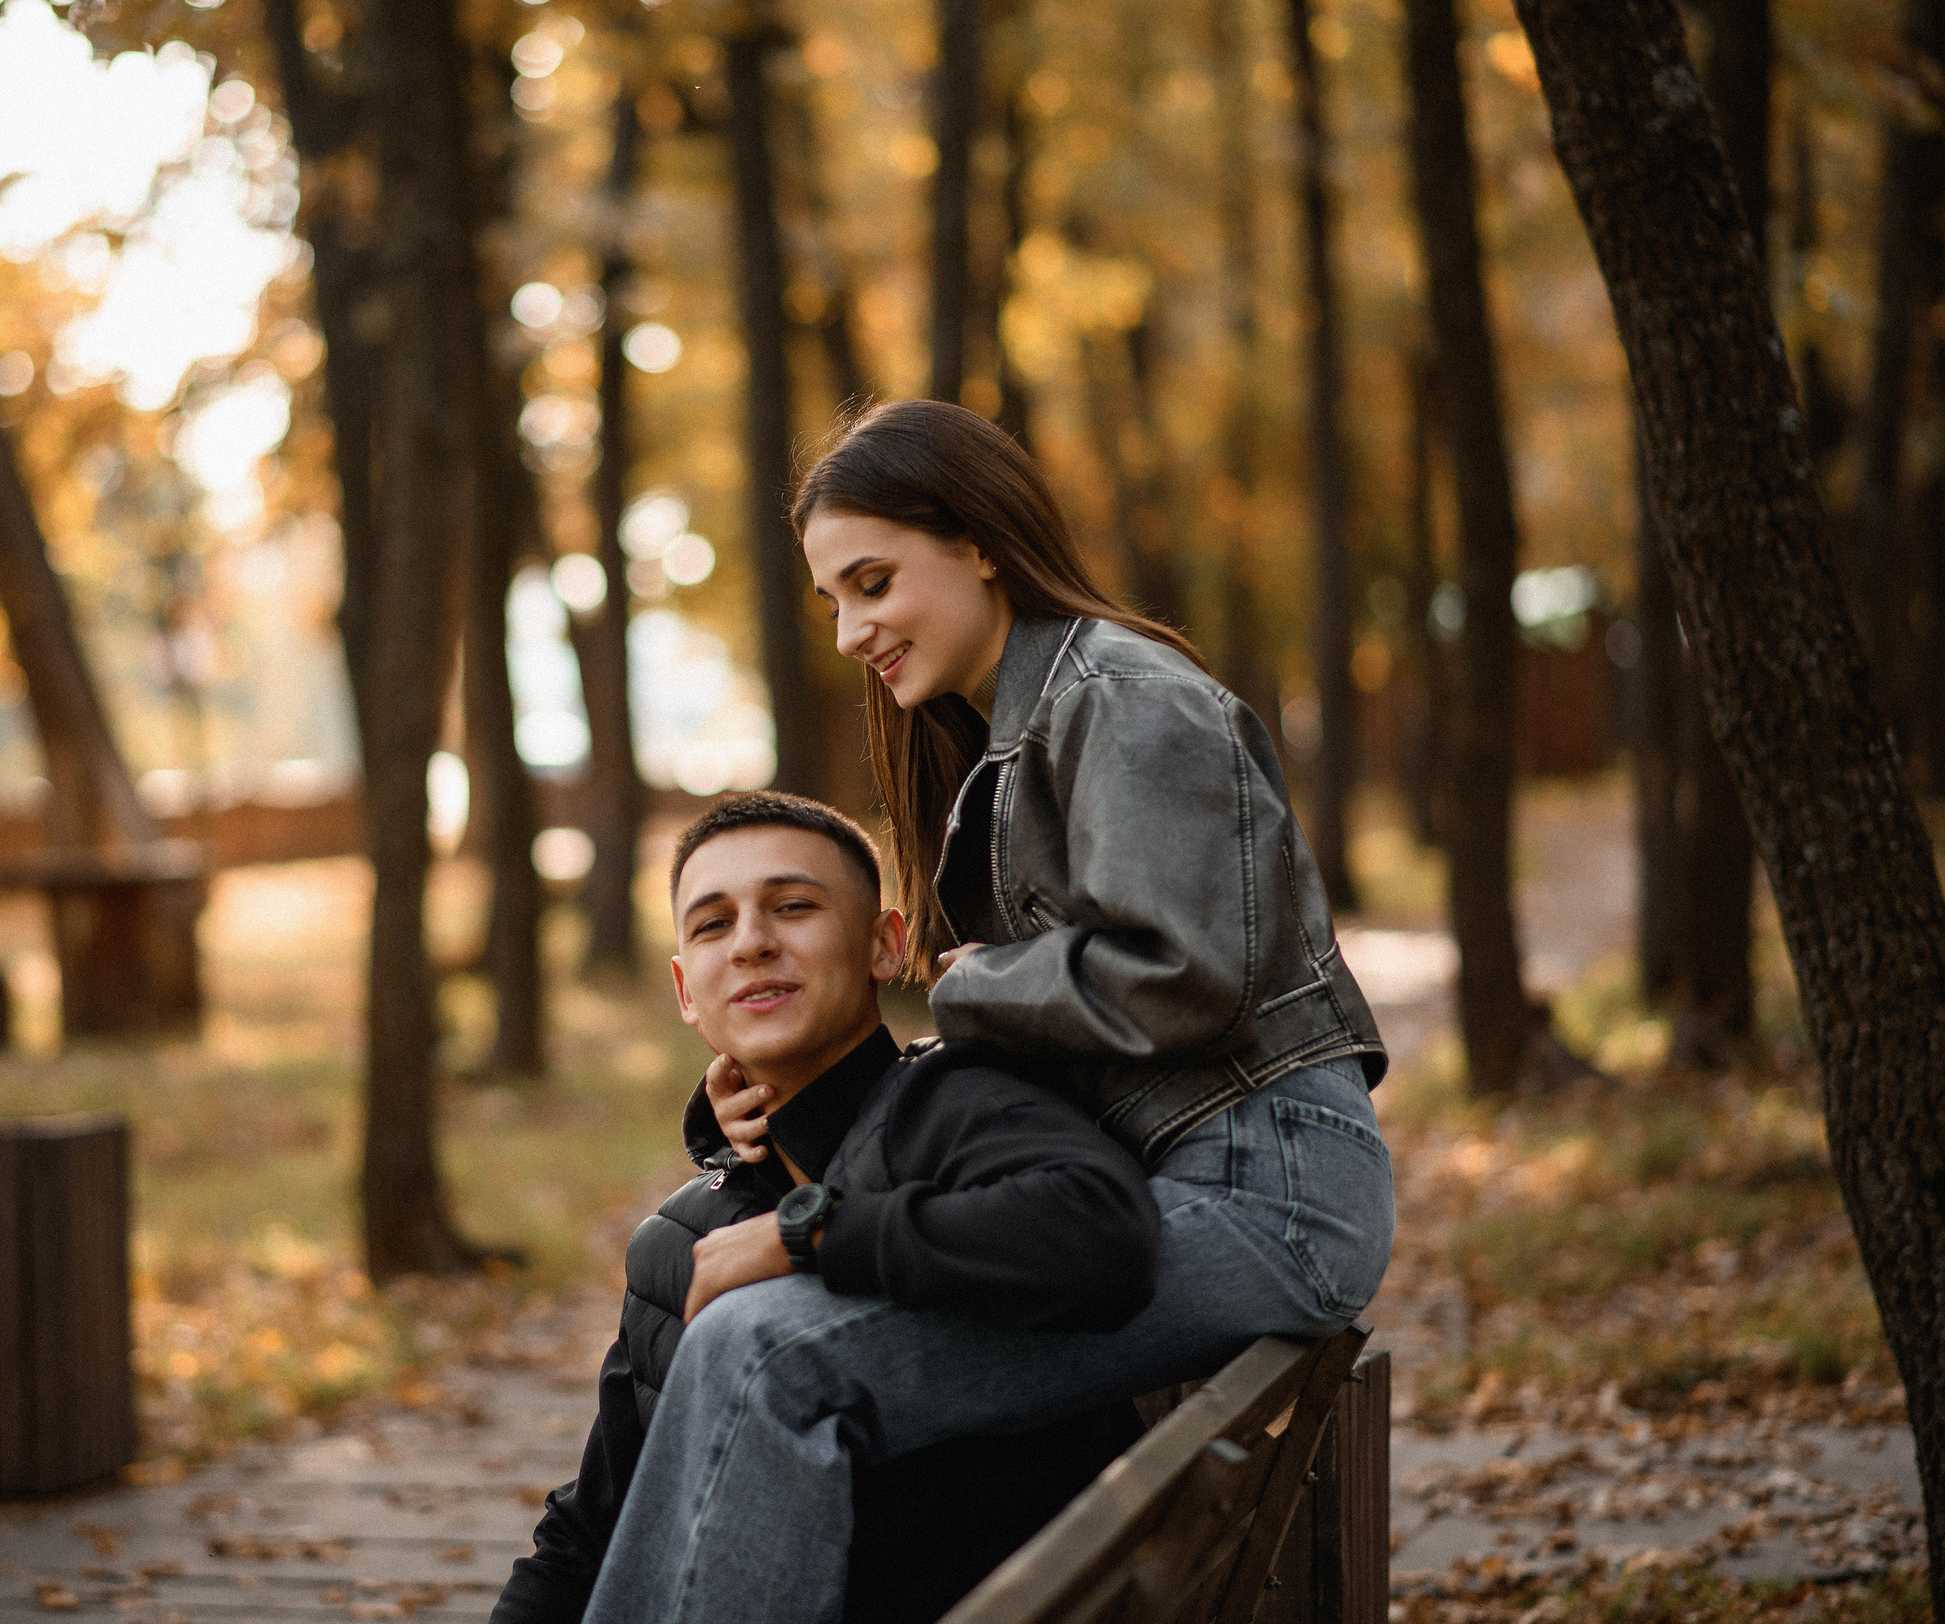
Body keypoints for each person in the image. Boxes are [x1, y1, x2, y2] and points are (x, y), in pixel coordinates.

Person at [583, 399, 1397, 1624]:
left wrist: (960, 986)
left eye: (873, 582)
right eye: (834, 601)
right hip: (1206, 1178)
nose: (854, 631)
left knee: (766, 1356)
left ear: (977, 543)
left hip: (1264, 1198)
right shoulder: (1022, 730)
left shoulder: (1119, 698)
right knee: (748, 1345)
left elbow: (1185, 975)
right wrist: (775, 1097)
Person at [494, 792, 1162, 1624]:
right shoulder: (682, 1237)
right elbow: (592, 1527)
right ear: (684, 991)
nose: (752, 943)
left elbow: (1101, 1227)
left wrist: (806, 1234)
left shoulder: (952, 1105)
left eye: (794, 906)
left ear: (887, 945)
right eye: (711, 925)